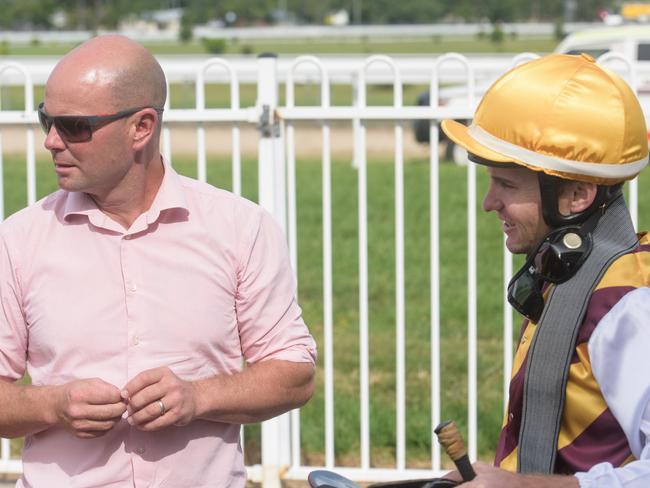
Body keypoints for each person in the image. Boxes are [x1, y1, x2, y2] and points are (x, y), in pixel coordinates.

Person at [0, 35, 316, 487]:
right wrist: (51, 406)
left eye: (74, 126)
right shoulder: (17, 241)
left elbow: (294, 375)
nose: (51, 141)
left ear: (142, 127)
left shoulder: (239, 227)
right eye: (46, 120)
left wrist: (197, 398)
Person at [440, 53, 650, 487]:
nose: (488, 203)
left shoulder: (631, 307)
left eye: (507, 185)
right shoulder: (571, 273)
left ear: (576, 194)